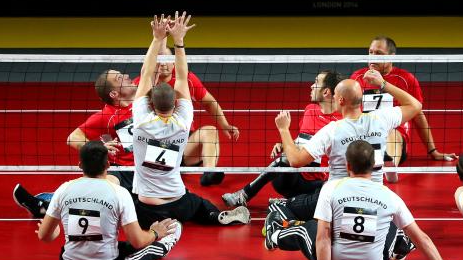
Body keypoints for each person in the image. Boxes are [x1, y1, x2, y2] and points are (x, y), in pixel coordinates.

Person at [264, 140, 463, 260]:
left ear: (347, 166)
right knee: (393, 226)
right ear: (374, 167)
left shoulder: (331, 188)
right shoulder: (390, 197)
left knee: (307, 228)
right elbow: (423, 238)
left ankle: (274, 236)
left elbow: (323, 237)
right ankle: (400, 243)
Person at [131, 12, 250, 228]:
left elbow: (146, 72)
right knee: (199, 205)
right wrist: (179, 41)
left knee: (130, 203)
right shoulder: (183, 119)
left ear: (150, 102)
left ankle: (209, 174)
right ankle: (214, 216)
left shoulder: (140, 119)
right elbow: (183, 78)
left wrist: (158, 37)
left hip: (147, 206)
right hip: (178, 196)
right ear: (176, 103)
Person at [270, 71, 422, 222]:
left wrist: (283, 130)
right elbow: (415, 105)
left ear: (341, 100)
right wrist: (383, 84)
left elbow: (295, 161)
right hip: (374, 200)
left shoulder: (332, 130)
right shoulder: (380, 119)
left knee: (282, 208)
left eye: (335, 94)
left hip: (337, 202)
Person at [35, 140, 182, 260]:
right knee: (145, 249)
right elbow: (137, 242)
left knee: (122, 246)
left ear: (80, 165)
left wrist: (55, 232)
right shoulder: (120, 193)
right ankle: (165, 244)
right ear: (108, 164)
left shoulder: (63, 189)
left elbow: (44, 236)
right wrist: (155, 233)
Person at [13, 69, 139, 219]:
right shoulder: (106, 116)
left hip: (150, 168)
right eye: (119, 78)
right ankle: (44, 205)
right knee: (103, 189)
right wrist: (99, 149)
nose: (126, 76)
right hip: (122, 169)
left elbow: (154, 68)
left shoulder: (141, 93)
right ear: (114, 94)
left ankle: (50, 200)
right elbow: (73, 138)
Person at [222, 70, 343, 207]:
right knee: (284, 162)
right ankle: (292, 201)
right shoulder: (310, 110)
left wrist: (283, 130)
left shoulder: (340, 123)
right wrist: (284, 144)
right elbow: (300, 140)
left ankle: (245, 194)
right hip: (294, 176)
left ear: (326, 92)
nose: (311, 86)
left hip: (318, 183)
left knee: (283, 161)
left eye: (316, 82)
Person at [351, 36, 456, 184]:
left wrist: (433, 151)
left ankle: (388, 165)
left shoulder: (406, 79)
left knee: (391, 133)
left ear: (392, 56)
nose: (373, 57)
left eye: (379, 53)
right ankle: (372, 161)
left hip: (394, 134)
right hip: (366, 131)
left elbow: (418, 114)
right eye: (370, 52)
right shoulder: (357, 77)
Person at [136, 45, 240, 186]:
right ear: (152, 62)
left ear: (174, 62)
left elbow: (209, 102)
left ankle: (209, 172)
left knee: (210, 131)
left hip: (182, 145)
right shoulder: (142, 83)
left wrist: (225, 125)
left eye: (167, 59)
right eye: (159, 60)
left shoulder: (188, 80)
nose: (163, 63)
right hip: (153, 147)